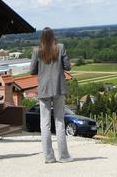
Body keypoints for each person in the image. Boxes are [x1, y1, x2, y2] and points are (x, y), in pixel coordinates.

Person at [30, 27, 72, 163]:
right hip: (59, 88)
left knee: (45, 124)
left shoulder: (37, 51)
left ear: (42, 37)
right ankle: (64, 156)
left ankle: (49, 157)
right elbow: (68, 66)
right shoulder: (60, 47)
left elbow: (32, 70)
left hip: (43, 89)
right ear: (53, 36)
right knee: (60, 122)